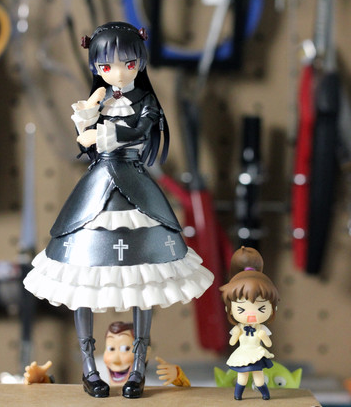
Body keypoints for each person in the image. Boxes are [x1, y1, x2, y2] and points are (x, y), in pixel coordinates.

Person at [23, 21, 213, 399]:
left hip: (135, 183)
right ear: (96, 67)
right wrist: (87, 117)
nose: (120, 73)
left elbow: (140, 132)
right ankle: (89, 367)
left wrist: (103, 134)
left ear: (140, 62)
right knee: (82, 276)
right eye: (107, 66)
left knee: (145, 279)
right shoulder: (100, 99)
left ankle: (138, 366)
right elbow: (84, 139)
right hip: (97, 187)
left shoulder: (146, 102)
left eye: (129, 63)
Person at [22, 321, 190, 388]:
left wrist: (179, 378)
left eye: (125, 349)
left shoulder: (152, 390)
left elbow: (189, 400)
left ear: (145, 354)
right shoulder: (96, 385)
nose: (115, 360)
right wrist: (44, 385)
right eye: (111, 349)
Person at [219, 247, 279, 401]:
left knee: (259, 377)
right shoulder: (239, 328)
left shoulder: (261, 328)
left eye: (261, 308)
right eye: (241, 309)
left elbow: (268, 343)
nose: (251, 314)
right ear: (229, 309)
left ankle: (265, 394)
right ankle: (238, 395)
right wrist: (236, 335)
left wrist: (263, 336)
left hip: (257, 353)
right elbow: (232, 342)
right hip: (243, 353)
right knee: (242, 377)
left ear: (273, 308)